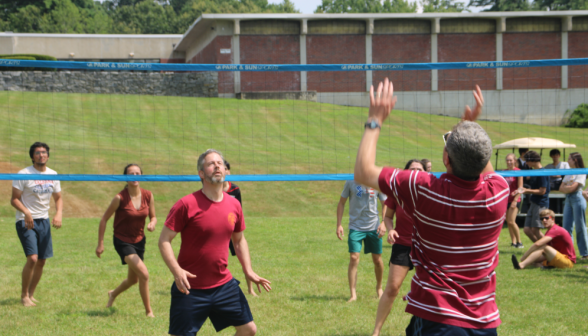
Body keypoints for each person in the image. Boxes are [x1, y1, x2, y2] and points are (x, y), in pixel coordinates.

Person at [355, 78, 507, 334]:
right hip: (484, 322)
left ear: (445, 158)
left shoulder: (423, 188)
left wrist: (375, 120)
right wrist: (469, 127)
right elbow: (481, 163)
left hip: (438, 319)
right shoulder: (499, 192)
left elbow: (362, 172)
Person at [159, 149, 271, 336]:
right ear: (201, 173)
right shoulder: (186, 204)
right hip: (190, 287)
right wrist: (176, 271)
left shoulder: (234, 204)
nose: (217, 165)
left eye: (220, 163)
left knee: (248, 329)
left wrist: (248, 270)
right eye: (211, 163)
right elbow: (164, 240)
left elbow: (239, 240)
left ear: (226, 171)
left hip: (223, 285)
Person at [96, 164, 157, 317]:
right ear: (125, 177)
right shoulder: (119, 198)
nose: (135, 176)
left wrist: (152, 223)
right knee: (144, 274)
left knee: (133, 280)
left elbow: (154, 216)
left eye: (138, 173)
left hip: (139, 240)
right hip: (122, 241)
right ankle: (149, 311)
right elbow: (104, 219)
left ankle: (113, 294)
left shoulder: (148, 195)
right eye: (131, 174)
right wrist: (100, 243)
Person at [372, 159, 424, 336]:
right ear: (405, 172)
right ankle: (376, 332)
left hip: (426, 246)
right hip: (403, 245)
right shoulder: (398, 192)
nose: (416, 172)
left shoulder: (431, 191)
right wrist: (391, 229)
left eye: (420, 169)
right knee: (392, 288)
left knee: (430, 291)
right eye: (412, 169)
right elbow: (388, 216)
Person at [11, 142, 63, 307]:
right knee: (32, 258)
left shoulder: (53, 174)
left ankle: (31, 294)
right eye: (38, 153)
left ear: (48, 155)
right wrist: (26, 212)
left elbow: (58, 197)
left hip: (44, 220)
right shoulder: (23, 174)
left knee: (41, 261)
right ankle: (24, 295)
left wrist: (59, 213)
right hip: (26, 221)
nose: (41, 155)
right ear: (32, 156)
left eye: (44, 152)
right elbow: (14, 199)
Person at [337, 178, 387, 302]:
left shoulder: (376, 181)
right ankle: (353, 294)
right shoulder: (350, 181)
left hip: (373, 227)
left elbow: (385, 204)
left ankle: (379, 288)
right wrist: (339, 224)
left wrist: (384, 222)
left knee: (377, 259)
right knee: (354, 257)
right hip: (356, 226)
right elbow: (341, 203)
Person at [223, 160, 256, 296]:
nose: (224, 171)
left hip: (232, 229)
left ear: (229, 171)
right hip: (219, 230)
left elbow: (239, 210)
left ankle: (250, 289)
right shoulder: (213, 189)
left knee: (244, 258)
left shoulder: (235, 189)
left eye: (226, 168)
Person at [513, 150, 550, 243]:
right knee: (527, 230)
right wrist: (519, 190)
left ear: (533, 160)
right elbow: (528, 187)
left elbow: (542, 191)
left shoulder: (542, 173)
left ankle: (549, 248)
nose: (525, 162)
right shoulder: (534, 172)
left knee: (535, 230)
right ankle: (542, 247)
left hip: (540, 204)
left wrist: (526, 190)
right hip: (534, 202)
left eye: (527, 160)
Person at [558, 152, 588, 259]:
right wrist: (567, 187)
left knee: (580, 227)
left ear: (575, 160)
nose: (567, 161)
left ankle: (585, 253)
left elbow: (572, 188)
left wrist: (567, 187)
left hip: (578, 199)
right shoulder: (569, 172)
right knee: (566, 228)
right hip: (568, 199)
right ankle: (568, 253)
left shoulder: (581, 172)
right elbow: (561, 188)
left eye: (569, 159)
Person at [504, 153, 523, 248]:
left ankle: (520, 242)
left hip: (515, 200)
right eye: (507, 160)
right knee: (508, 222)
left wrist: (515, 200)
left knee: (511, 221)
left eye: (510, 160)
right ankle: (513, 242)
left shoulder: (518, 171)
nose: (509, 162)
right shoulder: (504, 172)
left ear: (515, 161)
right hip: (505, 200)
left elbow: (520, 188)